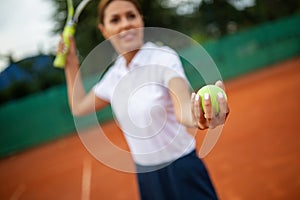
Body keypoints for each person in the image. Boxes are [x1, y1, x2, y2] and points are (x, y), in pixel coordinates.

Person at [57, 0, 229, 199]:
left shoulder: (163, 58)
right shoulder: (114, 76)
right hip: (146, 176)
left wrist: (199, 116)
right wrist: (71, 64)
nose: (125, 24)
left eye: (131, 16)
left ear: (141, 21)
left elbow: (182, 108)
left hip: (182, 169)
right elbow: (78, 107)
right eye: (115, 19)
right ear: (104, 30)